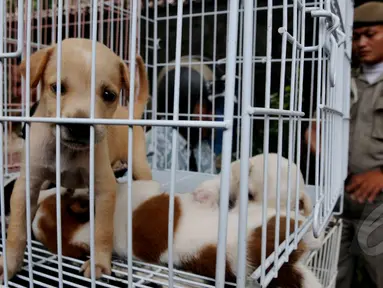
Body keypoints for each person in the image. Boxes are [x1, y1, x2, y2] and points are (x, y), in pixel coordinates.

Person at [304, 2, 383, 288]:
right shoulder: (342, 81)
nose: (361, 43)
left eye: (370, 34)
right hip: (338, 201)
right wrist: (316, 138)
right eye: (356, 36)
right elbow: (316, 129)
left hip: (378, 207)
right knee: (330, 276)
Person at [145, 66, 217, 174]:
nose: (211, 117)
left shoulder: (201, 145)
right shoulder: (155, 144)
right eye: (205, 106)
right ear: (184, 105)